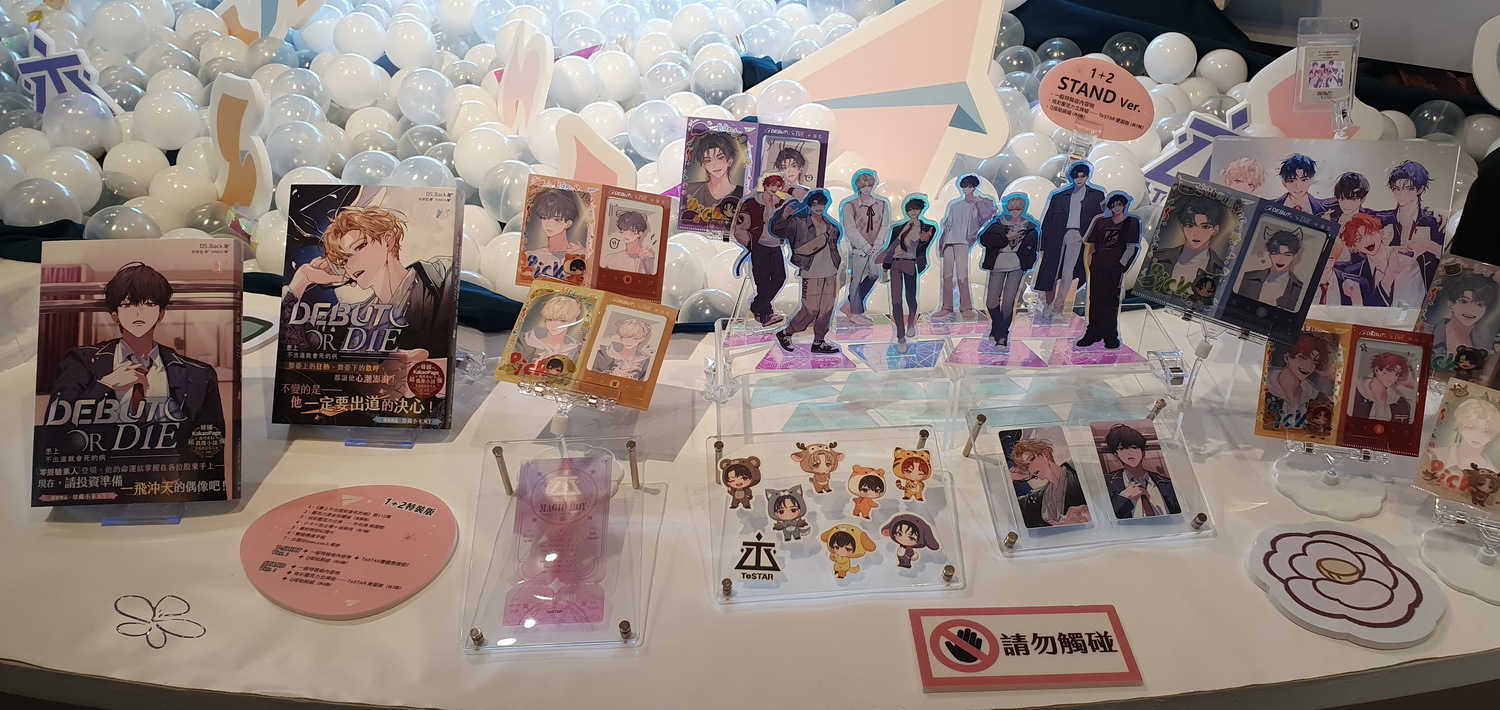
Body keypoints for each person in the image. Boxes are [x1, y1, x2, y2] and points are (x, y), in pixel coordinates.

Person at [47, 262, 223, 431]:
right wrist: (106, 385)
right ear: (115, 315)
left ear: (160, 314)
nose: (139, 312)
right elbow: (54, 422)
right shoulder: (81, 361)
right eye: (128, 304)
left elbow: (210, 439)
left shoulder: (199, 374)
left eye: (149, 304)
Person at [285, 201, 456, 358]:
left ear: (388, 240)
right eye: (344, 260)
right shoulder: (348, 318)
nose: (351, 264)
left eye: (359, 247)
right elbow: (295, 357)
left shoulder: (441, 279)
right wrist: (300, 282)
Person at [772, 189, 844, 354]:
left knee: (826, 309)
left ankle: (819, 341)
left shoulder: (832, 226)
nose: (819, 207)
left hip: (830, 271)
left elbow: (834, 245)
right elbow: (778, 230)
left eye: (822, 204)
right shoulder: (799, 223)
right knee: (810, 309)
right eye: (815, 204)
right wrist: (783, 215)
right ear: (810, 206)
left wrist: (837, 262)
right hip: (810, 271)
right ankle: (786, 332)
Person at [1036, 162, 1104, 320]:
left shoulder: (1097, 195)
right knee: (1051, 271)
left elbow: (1099, 221)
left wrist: (1095, 244)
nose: (1079, 179)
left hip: (1079, 236)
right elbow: (1047, 221)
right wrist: (1042, 245)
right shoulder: (1059, 196)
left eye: (1082, 176)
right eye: (1076, 176)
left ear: (1087, 176)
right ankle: (1047, 304)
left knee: (1068, 272)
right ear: (1071, 177)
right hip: (1057, 235)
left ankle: (1058, 308)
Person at [1077, 192, 1141, 349]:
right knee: (1095, 300)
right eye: (1113, 205)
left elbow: (1131, 247)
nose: (1116, 207)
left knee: (1111, 301)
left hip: (1115, 268)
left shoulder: (1131, 222)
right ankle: (1092, 333)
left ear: (1124, 205)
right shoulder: (1101, 222)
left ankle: (1110, 335)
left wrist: (1120, 265)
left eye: (1119, 204)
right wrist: (1090, 265)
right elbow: (1091, 246)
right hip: (1098, 266)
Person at [977, 194, 1039, 348]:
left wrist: (1028, 262)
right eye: (1012, 209)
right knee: (991, 301)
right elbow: (984, 240)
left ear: (1023, 209)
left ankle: (1002, 335)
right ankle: (998, 325)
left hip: (1017, 265)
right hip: (998, 263)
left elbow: (1033, 247)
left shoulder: (1030, 227)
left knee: (1008, 301)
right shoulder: (998, 223)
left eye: (1018, 209)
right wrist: (1006, 238)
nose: (1014, 212)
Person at [876, 195, 937, 353]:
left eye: (916, 209)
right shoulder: (898, 228)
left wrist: (924, 240)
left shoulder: (928, 228)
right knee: (896, 301)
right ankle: (900, 337)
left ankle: (911, 323)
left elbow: (924, 246)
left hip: (911, 263)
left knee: (911, 297)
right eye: (910, 209)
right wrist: (885, 269)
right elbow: (891, 248)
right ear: (906, 211)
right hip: (896, 264)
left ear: (921, 210)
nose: (913, 212)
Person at [730, 174, 789, 327]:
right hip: (759, 245)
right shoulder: (751, 203)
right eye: (772, 185)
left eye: (778, 186)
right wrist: (750, 243)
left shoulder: (781, 203)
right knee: (762, 282)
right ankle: (765, 315)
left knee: (779, 277)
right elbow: (739, 227)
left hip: (775, 245)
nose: (775, 188)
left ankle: (757, 305)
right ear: (766, 185)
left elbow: (789, 224)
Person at [935, 174, 996, 319]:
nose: (965, 189)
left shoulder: (980, 203)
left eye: (968, 186)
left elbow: (987, 216)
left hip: (963, 242)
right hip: (949, 242)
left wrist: (979, 202)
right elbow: (947, 225)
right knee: (947, 276)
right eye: (963, 186)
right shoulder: (954, 205)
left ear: (974, 187)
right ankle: (946, 307)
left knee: (962, 276)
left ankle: (966, 307)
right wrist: (942, 244)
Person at [1378, 160, 1445, 288]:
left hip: (1422, 286)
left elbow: (1449, 258)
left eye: (1408, 189)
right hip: (1389, 286)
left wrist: (1431, 246)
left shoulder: (1434, 220)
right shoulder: (1383, 220)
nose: (1401, 194)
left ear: (1420, 189)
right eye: (1396, 189)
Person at [1335, 213, 1423, 308]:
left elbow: (1408, 307)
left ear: (1381, 234)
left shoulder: (1407, 262)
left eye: (1370, 233)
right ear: (1354, 247)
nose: (1367, 241)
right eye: (1358, 239)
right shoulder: (1354, 274)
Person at [839, 170, 889, 326]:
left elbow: (885, 225)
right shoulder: (850, 206)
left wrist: (878, 243)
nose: (866, 188)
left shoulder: (882, 204)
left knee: (874, 275)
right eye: (863, 186)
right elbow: (850, 229)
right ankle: (855, 313)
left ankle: (849, 304)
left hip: (876, 247)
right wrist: (865, 246)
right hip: (859, 248)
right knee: (856, 279)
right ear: (858, 187)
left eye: (869, 185)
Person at [1314, 172, 1373, 304]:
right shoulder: (1328, 218)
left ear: (1362, 199)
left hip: (1353, 282)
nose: (1346, 204)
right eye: (1342, 199)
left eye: (1353, 199)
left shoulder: (1368, 223)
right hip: (1323, 278)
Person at [1102, 423, 1181, 519]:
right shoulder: (1107, 482)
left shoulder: (1166, 483)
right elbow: (1104, 517)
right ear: (1116, 455)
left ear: (1143, 452)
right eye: (1122, 449)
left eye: (1134, 447)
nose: (1129, 452)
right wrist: (1124, 498)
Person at [1151, 195, 1226, 293]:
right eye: (1190, 225)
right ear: (1182, 227)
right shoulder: (1158, 257)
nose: (1196, 233)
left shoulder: (1221, 270)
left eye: (1205, 227)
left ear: (1215, 230)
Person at [1009, 437, 1089, 528]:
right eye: (1026, 466)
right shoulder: (1035, 498)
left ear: (1045, 453)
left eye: (1032, 459)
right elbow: (1009, 510)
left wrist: (1086, 517)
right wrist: (1011, 477)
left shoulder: (1078, 471)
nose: (1031, 468)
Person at [1427, 271, 1499, 362]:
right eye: (1464, 301)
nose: (1471, 310)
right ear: (1451, 305)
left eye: (1480, 305)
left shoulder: (1484, 347)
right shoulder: (1426, 332)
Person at [1264, 334, 1332, 428]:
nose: (1309, 366)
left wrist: (1330, 376)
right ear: (1287, 358)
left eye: (1314, 362)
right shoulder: (1265, 388)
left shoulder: (1314, 395)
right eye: (1303, 357)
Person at [681, 130, 744, 224]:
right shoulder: (691, 190)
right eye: (708, 160)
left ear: (730, 161)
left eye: (720, 157)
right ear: (703, 164)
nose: (715, 165)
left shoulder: (742, 194)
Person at [1237, 228, 1307, 311]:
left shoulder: (1299, 288)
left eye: (1287, 255)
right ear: (1270, 254)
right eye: (1276, 254)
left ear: (1294, 256)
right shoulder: (1248, 277)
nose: (1280, 259)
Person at [521, 188, 584, 280]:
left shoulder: (578, 256)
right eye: (544, 218)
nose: (548, 224)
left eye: (556, 219)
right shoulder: (528, 256)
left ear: (568, 223)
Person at [1428, 397, 1500, 476]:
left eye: (1486, 431)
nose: (1477, 436)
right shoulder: (1434, 455)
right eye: (1470, 427)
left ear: (1493, 435)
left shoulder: (1495, 473)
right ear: (1460, 428)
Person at [1348, 351, 1417, 422]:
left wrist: (1411, 384)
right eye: (1389, 371)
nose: (1392, 377)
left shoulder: (1400, 402)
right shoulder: (1354, 394)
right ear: (1376, 370)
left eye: (1397, 374)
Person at [516, 295, 585, 362]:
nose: (554, 325)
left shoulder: (575, 349)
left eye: (562, 321)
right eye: (550, 319)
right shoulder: (525, 340)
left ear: (573, 321)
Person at [589, 317, 656, 381]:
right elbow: (590, 376)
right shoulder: (603, 355)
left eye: (634, 338)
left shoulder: (645, 362)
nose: (628, 341)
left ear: (642, 339)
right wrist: (611, 374)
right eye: (624, 337)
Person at [600, 210, 656, 275]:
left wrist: (647, 262)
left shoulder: (647, 258)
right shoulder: (611, 258)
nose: (626, 234)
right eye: (623, 230)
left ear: (640, 233)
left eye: (631, 230)